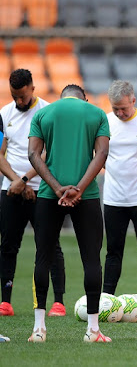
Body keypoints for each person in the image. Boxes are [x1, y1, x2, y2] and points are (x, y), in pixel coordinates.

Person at [28, 84, 110, 343]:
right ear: (84, 98)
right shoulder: (97, 114)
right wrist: (80, 189)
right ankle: (93, 330)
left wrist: (56, 187)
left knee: (42, 257)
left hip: (48, 194)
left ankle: (39, 330)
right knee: (92, 260)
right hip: (86, 196)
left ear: (61, 97)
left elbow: (33, 153)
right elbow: (102, 154)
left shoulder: (44, 114)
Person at [0, 69, 66, 317]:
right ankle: (5, 301)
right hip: (11, 189)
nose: (18, 101)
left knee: (50, 244)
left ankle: (58, 301)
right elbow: (0, 152)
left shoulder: (48, 112)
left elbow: (49, 152)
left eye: (22, 96)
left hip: (44, 190)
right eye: (14, 96)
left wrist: (27, 179)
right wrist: (17, 182)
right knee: (7, 245)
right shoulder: (4, 114)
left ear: (33, 89)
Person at [102, 81, 137, 295]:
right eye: (115, 109)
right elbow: (99, 156)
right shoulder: (104, 121)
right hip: (114, 198)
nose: (120, 113)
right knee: (113, 251)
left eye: (124, 108)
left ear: (133, 100)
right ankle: (106, 299)